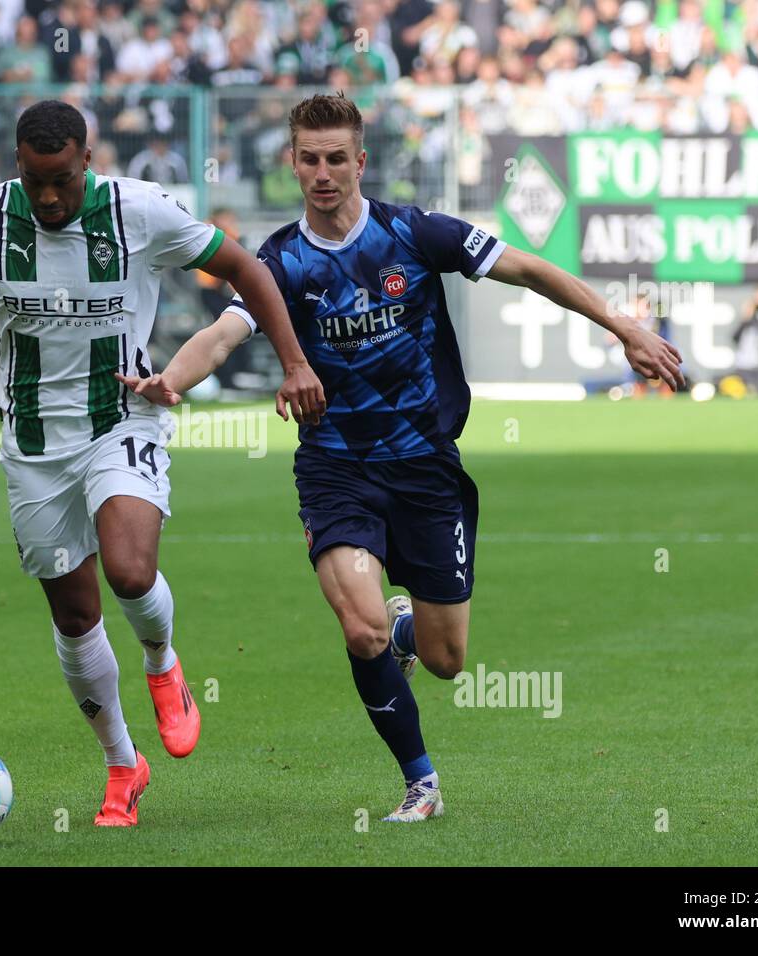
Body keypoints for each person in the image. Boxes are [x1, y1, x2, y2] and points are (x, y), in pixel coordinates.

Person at [117, 93, 682, 823]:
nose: (323, 174)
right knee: (361, 630)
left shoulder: (413, 233)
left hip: (425, 467)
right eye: (309, 159)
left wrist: (622, 326)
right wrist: (171, 380)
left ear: (360, 161)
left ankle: (409, 630)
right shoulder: (280, 261)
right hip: (336, 469)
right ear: (292, 162)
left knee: (447, 661)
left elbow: (530, 270)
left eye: (336, 159)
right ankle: (421, 782)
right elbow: (225, 333)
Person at [0, 101, 324, 827]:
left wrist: (293, 362)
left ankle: (162, 662)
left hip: (123, 413)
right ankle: (123, 764)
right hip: (33, 438)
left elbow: (246, 270)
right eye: (36, 183)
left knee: (129, 569)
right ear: (17, 169)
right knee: (74, 613)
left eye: (62, 179)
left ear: (87, 162)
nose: (51, 198)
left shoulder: (142, 212)